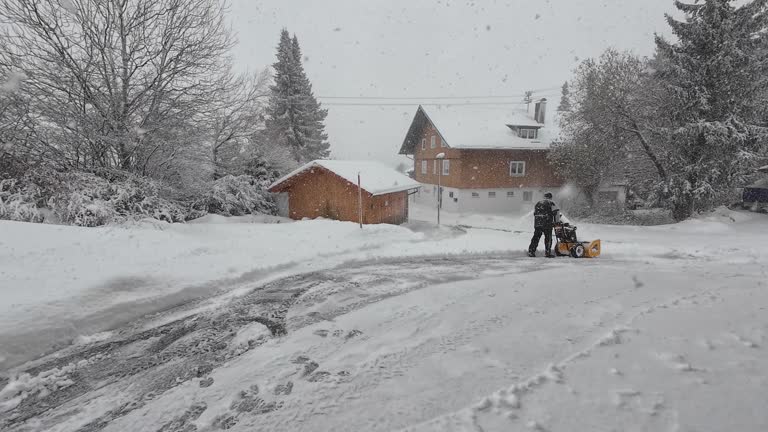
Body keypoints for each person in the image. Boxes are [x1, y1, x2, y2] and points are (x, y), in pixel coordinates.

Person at [528, 192, 558, 258]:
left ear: (544, 197)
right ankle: (547, 253)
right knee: (548, 238)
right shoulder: (551, 203)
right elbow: (556, 213)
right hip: (547, 224)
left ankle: (531, 251)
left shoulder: (538, 203)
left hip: (538, 224)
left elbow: (535, 213)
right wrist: (556, 222)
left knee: (536, 238)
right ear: (550, 197)